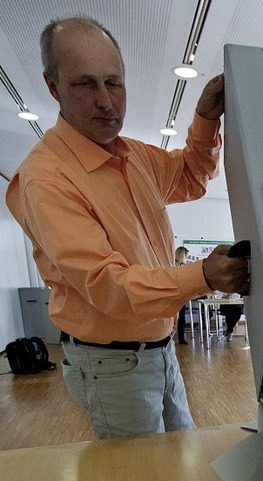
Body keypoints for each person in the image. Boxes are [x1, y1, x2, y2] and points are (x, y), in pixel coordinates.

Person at [6, 16, 249, 439]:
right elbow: (106, 284)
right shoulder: (46, 179)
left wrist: (206, 117)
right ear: (53, 87)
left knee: (179, 458)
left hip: (159, 348)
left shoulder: (135, 157)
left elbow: (191, 174)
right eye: (86, 84)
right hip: (113, 364)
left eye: (113, 83)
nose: (106, 102)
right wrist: (203, 275)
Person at [175, 246, 191, 344]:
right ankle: (181, 338)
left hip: (180, 294)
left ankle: (181, 338)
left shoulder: (174, 264)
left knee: (181, 317)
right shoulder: (178, 266)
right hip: (177, 294)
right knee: (180, 318)